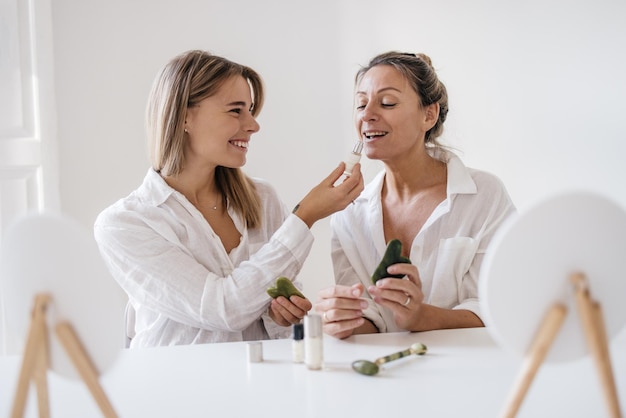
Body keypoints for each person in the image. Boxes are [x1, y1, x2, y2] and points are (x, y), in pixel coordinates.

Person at [94, 50, 363, 347]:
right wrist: (305, 216)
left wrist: (280, 313)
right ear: (185, 116)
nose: (253, 125)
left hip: (259, 383)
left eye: (250, 110)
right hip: (173, 388)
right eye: (236, 110)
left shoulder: (263, 200)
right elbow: (221, 309)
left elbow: (276, 318)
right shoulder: (124, 224)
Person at [315, 51, 515, 339]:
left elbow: (494, 308)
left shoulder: (484, 195)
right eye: (361, 104)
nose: (368, 115)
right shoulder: (349, 211)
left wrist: (421, 316)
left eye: (387, 103)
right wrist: (341, 319)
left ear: (429, 115)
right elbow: (371, 318)